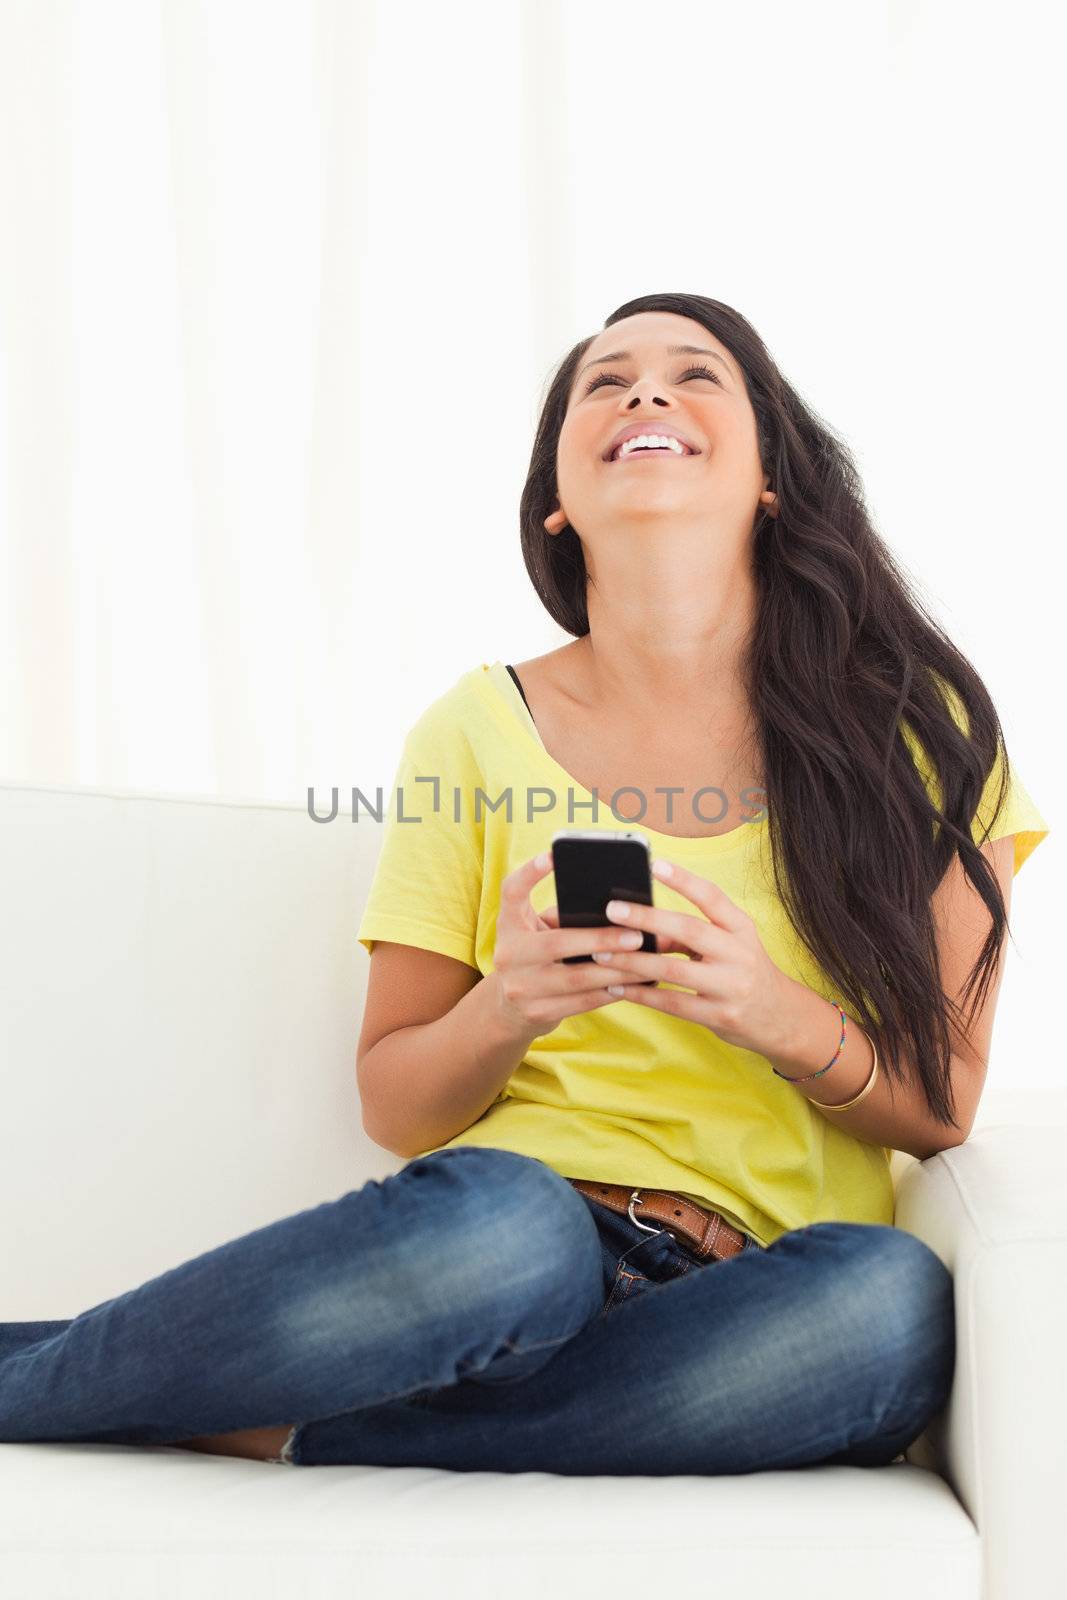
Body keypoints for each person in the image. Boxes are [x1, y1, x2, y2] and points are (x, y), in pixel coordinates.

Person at [0, 295, 1048, 1475]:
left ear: (768, 477)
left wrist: (767, 1011)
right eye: (603, 384)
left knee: (895, 1302)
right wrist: (510, 1000)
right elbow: (395, 1104)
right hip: (505, 1255)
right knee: (509, 1229)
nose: (644, 393)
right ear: (556, 497)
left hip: (754, 1300)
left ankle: (295, 1425)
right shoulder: (474, 729)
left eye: (694, 374)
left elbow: (940, 1100)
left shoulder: (922, 733)